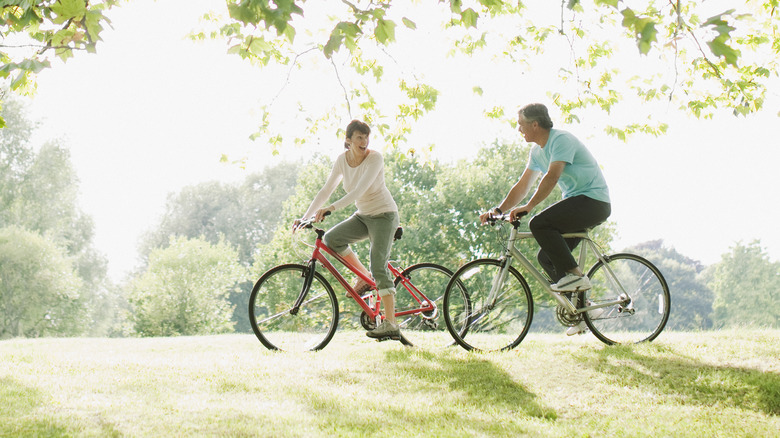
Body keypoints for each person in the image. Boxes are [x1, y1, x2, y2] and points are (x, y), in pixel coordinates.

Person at [479, 103, 611, 335]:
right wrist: (498, 210)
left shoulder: (561, 140)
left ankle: (579, 279)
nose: (519, 130)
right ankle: (584, 312)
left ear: (535, 124)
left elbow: (552, 176)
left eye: (521, 125)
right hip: (578, 202)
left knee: (539, 223)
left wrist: (529, 207)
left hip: (593, 202)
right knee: (547, 257)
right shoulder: (537, 152)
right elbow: (523, 185)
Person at [295, 119, 401, 339]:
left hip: (384, 216)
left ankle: (391, 323)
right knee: (332, 239)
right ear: (348, 140)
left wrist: (331, 209)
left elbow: (359, 191)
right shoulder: (342, 161)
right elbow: (326, 190)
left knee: (379, 265)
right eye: (359, 137)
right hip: (363, 216)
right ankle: (364, 277)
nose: (364, 142)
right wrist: (305, 217)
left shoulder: (375, 158)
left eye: (366, 137)